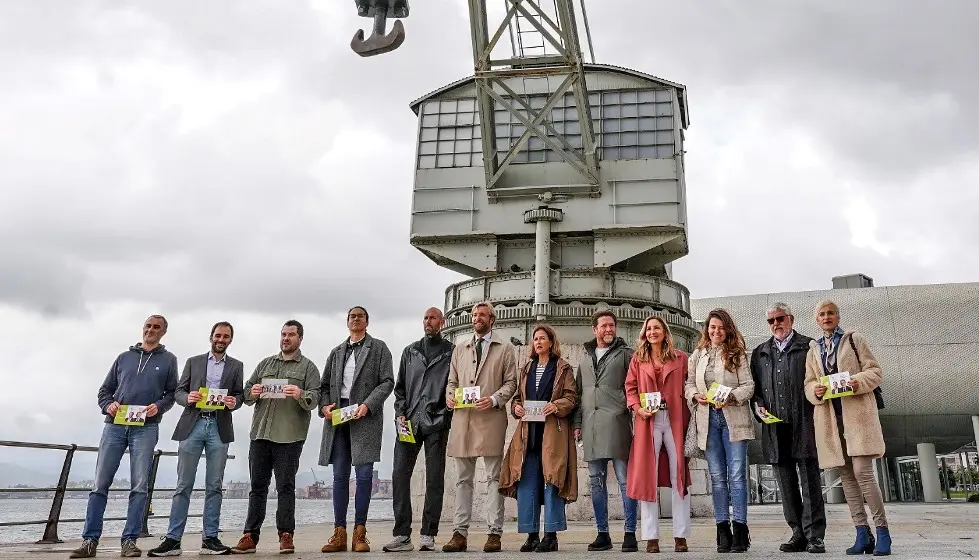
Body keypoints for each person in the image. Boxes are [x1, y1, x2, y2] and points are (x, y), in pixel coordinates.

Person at [70, 315, 179, 559]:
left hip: (146, 427)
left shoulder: (169, 360)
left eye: (156, 327)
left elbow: (172, 394)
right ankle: (89, 540)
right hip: (114, 426)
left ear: (163, 332)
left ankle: (129, 541)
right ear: (143, 329)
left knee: (139, 486)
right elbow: (104, 392)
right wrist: (108, 405)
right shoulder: (123, 357)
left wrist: (158, 407)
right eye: (148, 326)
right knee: (99, 485)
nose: (151, 330)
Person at [149, 322, 245, 557]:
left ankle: (210, 538)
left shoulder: (236, 366)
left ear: (231, 340)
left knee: (215, 486)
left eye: (226, 336)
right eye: (218, 335)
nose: (221, 339)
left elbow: (239, 395)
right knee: (183, 485)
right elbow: (178, 392)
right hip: (193, 424)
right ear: (211, 337)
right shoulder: (194, 362)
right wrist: (188, 397)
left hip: (219, 426)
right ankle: (173, 539)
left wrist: (235, 402)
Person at [804, 300, 891, 556]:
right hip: (832, 421)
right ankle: (862, 533)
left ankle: (883, 531)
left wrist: (855, 382)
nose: (826, 317)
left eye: (830, 313)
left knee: (863, 473)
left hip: (857, 417)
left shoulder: (854, 339)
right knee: (848, 480)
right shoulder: (814, 349)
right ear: (817, 320)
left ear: (838, 316)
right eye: (822, 314)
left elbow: (875, 371)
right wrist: (815, 391)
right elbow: (809, 383)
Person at [231, 320, 321, 555]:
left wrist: (301, 394)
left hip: (290, 437)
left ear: (300, 338)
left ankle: (286, 535)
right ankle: (249, 536)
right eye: (283, 334)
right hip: (260, 434)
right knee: (257, 488)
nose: (286, 338)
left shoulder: (308, 368)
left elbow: (315, 398)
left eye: (291, 335)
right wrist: (253, 392)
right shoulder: (265, 364)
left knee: (285, 487)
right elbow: (246, 392)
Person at [441, 301, 518, 554]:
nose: (477, 318)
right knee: (463, 480)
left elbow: (511, 383)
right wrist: (450, 397)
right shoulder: (460, 349)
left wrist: (495, 399)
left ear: (492, 319)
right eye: (474, 314)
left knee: (494, 478)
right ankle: (459, 533)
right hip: (464, 420)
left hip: (491, 418)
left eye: (482, 314)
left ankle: (494, 533)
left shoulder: (505, 349)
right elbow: (451, 381)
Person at [748, 304, 825, 554]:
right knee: (786, 483)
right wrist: (758, 406)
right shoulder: (760, 352)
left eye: (780, 319)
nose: (775, 324)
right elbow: (756, 390)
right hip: (775, 428)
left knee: (810, 482)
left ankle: (815, 536)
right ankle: (797, 533)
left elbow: (819, 380)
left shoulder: (809, 346)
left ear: (790, 319)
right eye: (771, 320)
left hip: (805, 423)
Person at [318, 306, 395, 553]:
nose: (356, 319)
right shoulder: (337, 352)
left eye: (360, 316)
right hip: (338, 416)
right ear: (347, 322)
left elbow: (387, 381)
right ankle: (339, 534)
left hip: (365, 416)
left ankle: (359, 534)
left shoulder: (379, 348)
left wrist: (368, 405)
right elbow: (323, 386)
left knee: (363, 477)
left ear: (367, 322)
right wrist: (324, 408)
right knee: (339, 477)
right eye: (352, 316)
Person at [499, 324, 578, 553]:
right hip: (527, 436)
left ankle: (551, 535)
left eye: (543, 338)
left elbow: (572, 397)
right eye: (535, 339)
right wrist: (517, 409)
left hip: (552, 434)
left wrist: (556, 405)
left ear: (551, 342)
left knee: (552, 481)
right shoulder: (526, 368)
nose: (538, 342)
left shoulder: (562, 368)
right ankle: (531, 534)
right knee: (527, 484)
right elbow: (517, 399)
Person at [383, 308, 455, 552]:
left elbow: (454, 385)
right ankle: (402, 535)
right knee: (399, 474)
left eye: (433, 318)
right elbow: (400, 388)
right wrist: (400, 413)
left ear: (442, 322)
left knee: (434, 478)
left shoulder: (451, 352)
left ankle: (428, 534)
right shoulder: (410, 351)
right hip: (409, 421)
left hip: (437, 422)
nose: (428, 321)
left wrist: (445, 413)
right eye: (425, 318)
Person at [685, 308, 755, 553]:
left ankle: (740, 530)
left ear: (728, 330)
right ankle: (722, 530)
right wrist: (695, 395)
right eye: (712, 327)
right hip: (708, 420)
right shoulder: (698, 355)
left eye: (721, 327)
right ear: (707, 329)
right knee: (717, 479)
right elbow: (689, 383)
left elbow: (749, 386)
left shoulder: (738, 354)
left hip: (733, 419)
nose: (716, 331)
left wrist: (732, 397)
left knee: (736, 477)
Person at [572, 308, 638, 552]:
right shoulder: (584, 359)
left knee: (624, 480)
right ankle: (603, 534)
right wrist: (577, 425)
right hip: (590, 427)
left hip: (618, 423)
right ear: (595, 330)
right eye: (604, 326)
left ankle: (630, 532)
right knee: (596, 483)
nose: (609, 329)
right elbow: (579, 396)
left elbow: (636, 387)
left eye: (612, 325)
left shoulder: (626, 355)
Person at [625, 316, 692, 554]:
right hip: (648, 420)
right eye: (649, 329)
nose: (653, 332)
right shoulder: (638, 359)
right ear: (645, 333)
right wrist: (637, 408)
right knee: (647, 477)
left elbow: (690, 385)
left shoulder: (681, 358)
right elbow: (630, 388)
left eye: (657, 328)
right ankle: (651, 536)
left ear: (664, 331)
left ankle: (680, 535)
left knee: (679, 475)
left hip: (675, 419)